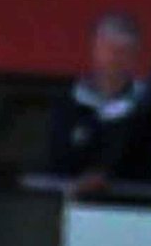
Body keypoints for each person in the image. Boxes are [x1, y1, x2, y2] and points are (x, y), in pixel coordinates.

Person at [47, 12, 151, 195]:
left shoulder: (145, 107)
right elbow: (52, 162)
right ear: (95, 49)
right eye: (109, 49)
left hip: (134, 205)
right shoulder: (69, 103)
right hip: (72, 204)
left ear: (136, 55)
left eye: (124, 52)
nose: (115, 59)